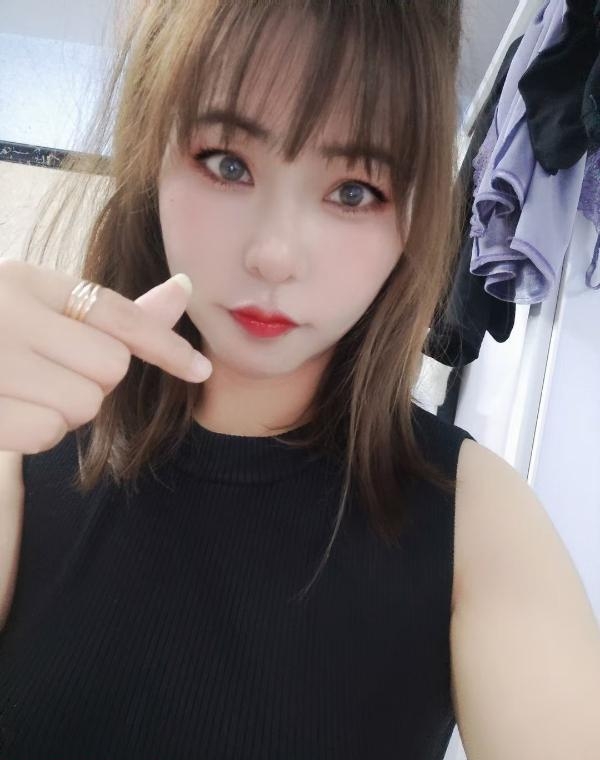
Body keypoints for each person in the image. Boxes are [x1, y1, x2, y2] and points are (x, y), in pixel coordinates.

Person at [1, 2, 599, 759]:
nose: (275, 255)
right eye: (227, 162)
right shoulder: (25, 445)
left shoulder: (476, 518)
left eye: (354, 191)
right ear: (152, 156)